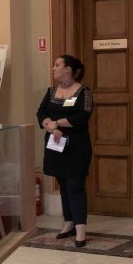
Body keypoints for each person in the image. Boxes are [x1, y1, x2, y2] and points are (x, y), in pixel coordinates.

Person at [37, 55, 93, 247]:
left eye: (57, 65)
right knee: (63, 184)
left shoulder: (83, 91)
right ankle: (68, 223)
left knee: (75, 185)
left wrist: (58, 123)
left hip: (76, 146)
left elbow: (83, 115)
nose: (54, 68)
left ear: (68, 69)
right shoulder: (51, 91)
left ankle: (80, 231)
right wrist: (51, 127)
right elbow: (41, 112)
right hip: (55, 143)